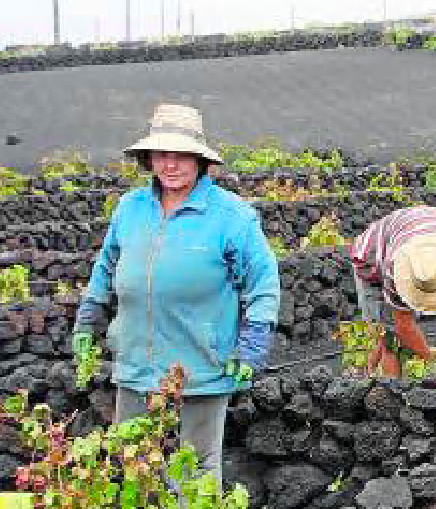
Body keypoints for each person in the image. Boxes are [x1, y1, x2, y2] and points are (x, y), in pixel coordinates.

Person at [72, 103, 280, 484]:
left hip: (202, 363)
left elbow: (262, 282)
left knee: (196, 469)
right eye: (162, 154)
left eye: (181, 155)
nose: (171, 164)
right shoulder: (130, 208)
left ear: (200, 160)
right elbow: (106, 266)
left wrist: (253, 343)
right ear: (149, 158)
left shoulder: (231, 215)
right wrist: (87, 319)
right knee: (131, 459)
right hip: (135, 360)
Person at [348, 205, 436, 375]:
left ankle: (368, 373)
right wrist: (433, 364)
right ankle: (377, 382)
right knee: (388, 338)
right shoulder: (396, 268)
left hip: (417, 228)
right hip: (371, 255)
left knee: (387, 337)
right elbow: (403, 327)